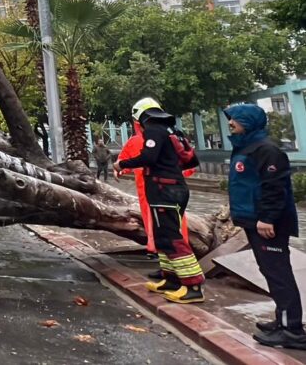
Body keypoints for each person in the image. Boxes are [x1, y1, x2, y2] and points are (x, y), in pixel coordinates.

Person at [224, 103, 305, 349]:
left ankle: (292, 330)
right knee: (270, 272)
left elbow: (275, 188)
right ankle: (281, 320)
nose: (230, 123)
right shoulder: (246, 148)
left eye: (235, 119)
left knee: (279, 274)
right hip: (253, 220)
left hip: (268, 224)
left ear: (247, 121)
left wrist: (268, 218)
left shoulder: (267, 151)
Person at [115, 97, 205, 303]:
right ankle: (171, 280)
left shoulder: (154, 131)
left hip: (163, 190)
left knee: (171, 237)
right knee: (163, 235)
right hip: (174, 187)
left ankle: (193, 285)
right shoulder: (173, 132)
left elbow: (148, 158)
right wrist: (171, 170)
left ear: (140, 116)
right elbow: (192, 160)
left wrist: (122, 164)